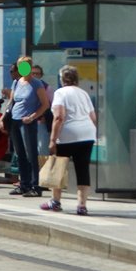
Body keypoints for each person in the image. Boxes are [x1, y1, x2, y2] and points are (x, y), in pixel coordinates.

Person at [42, 65, 98, 216]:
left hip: (67, 135)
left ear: (62, 79)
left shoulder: (60, 93)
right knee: (83, 169)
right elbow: (93, 117)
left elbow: (59, 117)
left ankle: (55, 201)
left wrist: (53, 139)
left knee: (59, 167)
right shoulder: (83, 93)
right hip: (87, 134)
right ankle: (82, 205)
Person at [8, 54, 51, 197]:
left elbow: (45, 104)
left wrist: (33, 116)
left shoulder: (36, 83)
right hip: (15, 119)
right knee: (20, 153)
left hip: (28, 122)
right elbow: (12, 101)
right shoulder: (17, 82)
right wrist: (5, 118)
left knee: (31, 153)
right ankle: (24, 184)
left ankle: (35, 185)